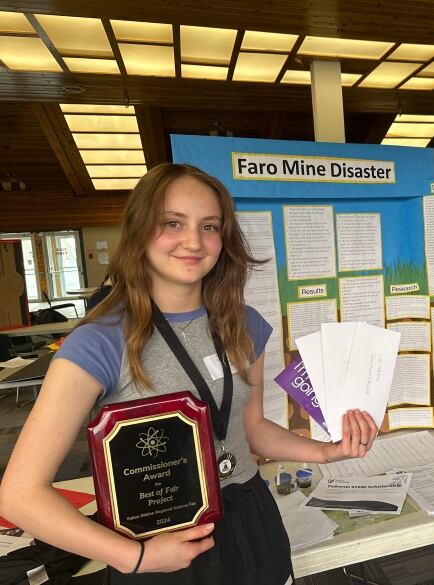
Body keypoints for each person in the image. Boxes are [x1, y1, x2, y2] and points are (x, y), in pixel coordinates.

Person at [0, 163, 379, 584]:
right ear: (140, 230)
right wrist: (135, 557)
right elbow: (19, 495)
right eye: (172, 223)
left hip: (251, 520)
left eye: (210, 226)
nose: (193, 241)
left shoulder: (244, 323)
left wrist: (326, 452)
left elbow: (248, 429)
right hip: (159, 541)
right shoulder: (101, 341)